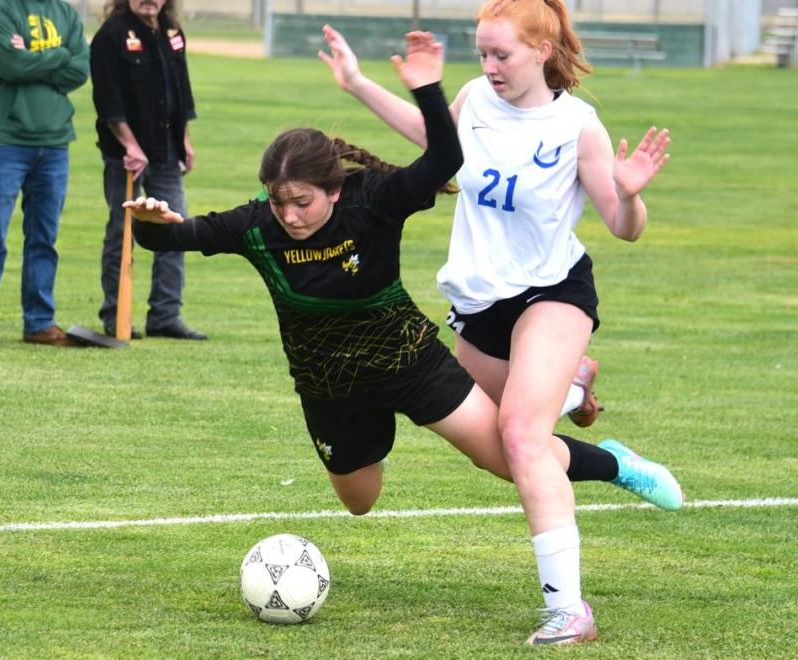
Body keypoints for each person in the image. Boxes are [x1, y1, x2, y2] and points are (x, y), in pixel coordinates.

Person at [128, 31, 682, 645]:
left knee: (514, 455)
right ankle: (568, 395)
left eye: (303, 202)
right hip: (329, 385)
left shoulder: (373, 202)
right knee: (360, 501)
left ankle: (614, 465)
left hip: (408, 360)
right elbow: (175, 238)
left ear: (334, 190)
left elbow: (445, 161)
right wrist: (152, 223)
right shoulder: (258, 227)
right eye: (279, 201)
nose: (290, 215)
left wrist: (426, 88)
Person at [319, 0, 679, 645]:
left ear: (541, 51)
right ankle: (596, 432)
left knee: (520, 436)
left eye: (501, 55)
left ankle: (570, 610)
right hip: (480, 306)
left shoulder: (577, 127)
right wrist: (357, 83)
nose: (489, 67)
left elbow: (624, 231)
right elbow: (435, 143)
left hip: (553, 292)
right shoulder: (475, 101)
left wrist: (629, 194)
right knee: (504, 456)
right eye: (482, 53)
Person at [0, 0, 89, 348]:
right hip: (3, 139)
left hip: (55, 140)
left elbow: (79, 69)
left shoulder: (65, 13)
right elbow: (10, 65)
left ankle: (39, 321)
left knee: (44, 236)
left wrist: (37, 57)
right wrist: (58, 54)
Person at [89, 0, 206, 341]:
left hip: (166, 150)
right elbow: (107, 100)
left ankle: (166, 315)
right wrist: (129, 145)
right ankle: (116, 314)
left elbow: (181, 93)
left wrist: (185, 139)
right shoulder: (111, 35)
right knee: (121, 231)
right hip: (126, 156)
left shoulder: (171, 33)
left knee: (176, 226)